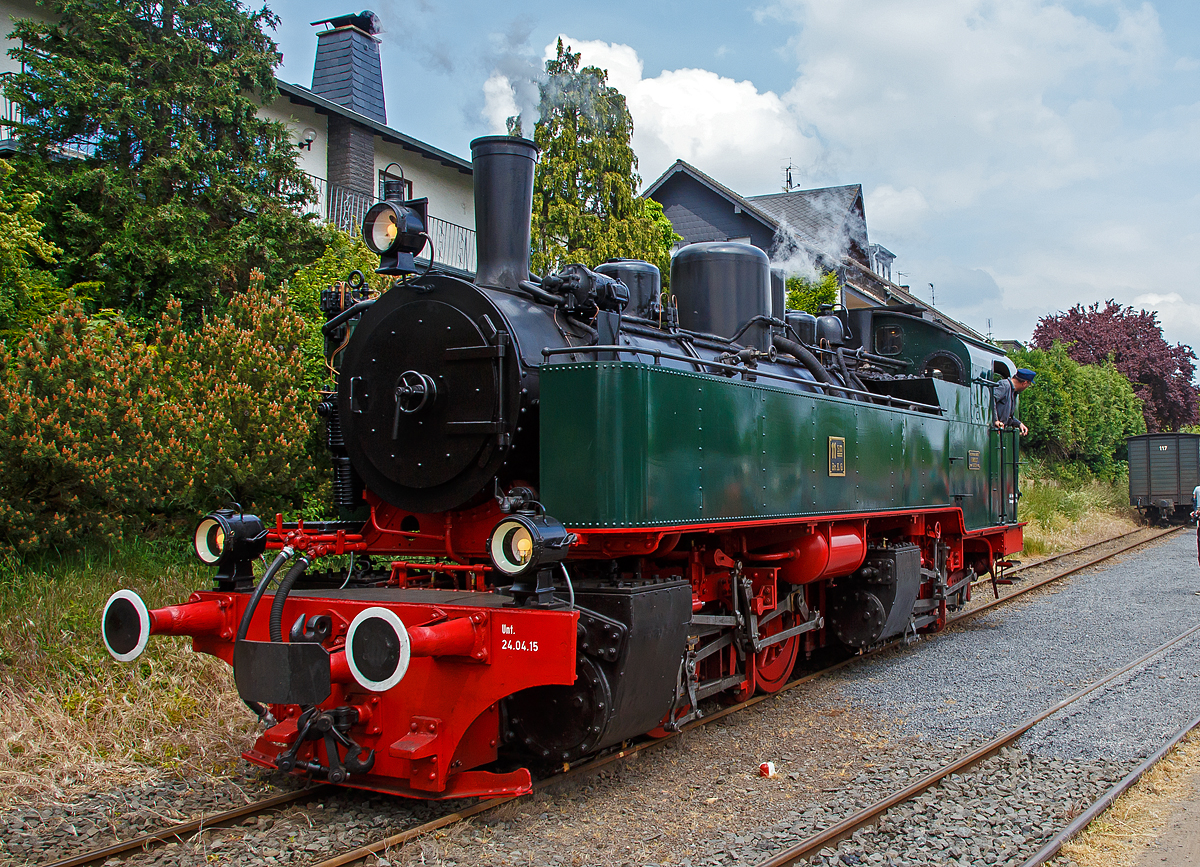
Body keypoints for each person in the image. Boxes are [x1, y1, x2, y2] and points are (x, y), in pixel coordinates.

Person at [993, 368, 1035, 436]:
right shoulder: (1004, 385)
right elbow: (991, 399)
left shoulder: (1013, 392)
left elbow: (1007, 416)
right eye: (1029, 384)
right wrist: (995, 420)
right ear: (1024, 383)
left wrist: (1019, 424)